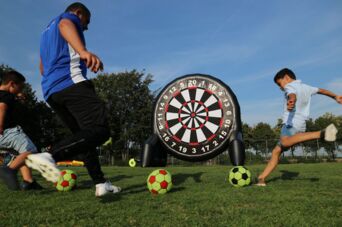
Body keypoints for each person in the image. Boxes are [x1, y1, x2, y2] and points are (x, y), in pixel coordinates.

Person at [26, 2, 121, 196]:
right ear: (78, 13)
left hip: (52, 92)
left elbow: (42, 68)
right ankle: (50, 156)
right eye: (86, 22)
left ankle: (100, 183)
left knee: (83, 137)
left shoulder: (45, 34)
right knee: (101, 130)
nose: (85, 27)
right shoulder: (67, 19)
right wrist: (83, 52)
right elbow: (65, 26)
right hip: (71, 84)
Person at [256, 68, 342, 186]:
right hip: (301, 126)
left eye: (279, 84)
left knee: (285, 142)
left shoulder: (289, 86)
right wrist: (335, 96)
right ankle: (262, 178)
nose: (280, 88)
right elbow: (321, 90)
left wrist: (291, 101)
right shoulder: (306, 87)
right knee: (276, 151)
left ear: (286, 77)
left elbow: (292, 94)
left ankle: (320, 133)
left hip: (291, 124)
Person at [0, 70, 43, 190]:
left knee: (21, 154)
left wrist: (17, 96)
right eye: (20, 87)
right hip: (9, 131)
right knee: (31, 151)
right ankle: (8, 170)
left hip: (3, 135)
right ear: (12, 84)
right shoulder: (6, 96)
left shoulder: (6, 95)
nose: (21, 90)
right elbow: (2, 107)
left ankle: (28, 182)